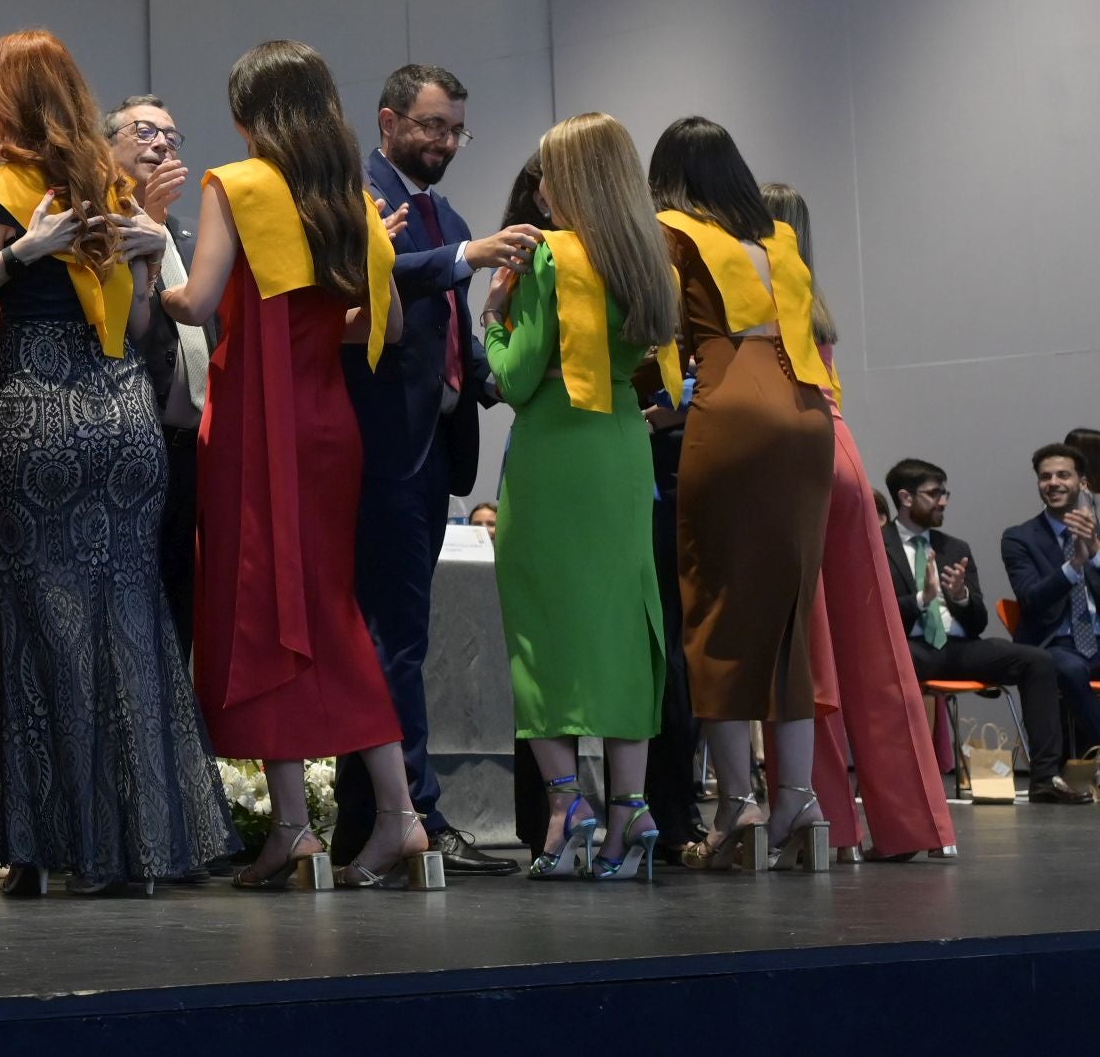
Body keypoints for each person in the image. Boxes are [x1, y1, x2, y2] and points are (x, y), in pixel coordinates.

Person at [0, 32, 235, 896]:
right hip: (125, 420)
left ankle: (46, 846)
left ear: (14, 103)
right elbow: (147, 326)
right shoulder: (113, 193)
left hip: (40, 414)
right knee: (131, 627)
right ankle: (139, 845)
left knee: (42, 632)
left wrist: (16, 255)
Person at [158, 40, 421, 889]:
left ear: (249, 114)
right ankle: (388, 818)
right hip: (328, 425)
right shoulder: (348, 197)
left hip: (253, 426)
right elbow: (386, 329)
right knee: (328, 611)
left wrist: (143, 259)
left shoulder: (237, 186)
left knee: (264, 614)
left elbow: (196, 303)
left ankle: (301, 828)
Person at [335, 64, 530, 877]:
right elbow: (367, 282)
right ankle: (406, 815)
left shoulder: (444, 213)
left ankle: (387, 818)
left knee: (402, 642)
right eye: (431, 126)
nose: (445, 141)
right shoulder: (359, 199)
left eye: (455, 128)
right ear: (388, 122)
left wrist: (504, 378)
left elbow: (453, 329)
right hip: (380, 449)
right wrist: (464, 256)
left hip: (431, 453)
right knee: (393, 643)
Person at [476, 114, 677, 878]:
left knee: (541, 627)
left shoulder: (549, 256)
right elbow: (666, 385)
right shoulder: (650, 255)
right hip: (625, 450)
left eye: (551, 174)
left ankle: (569, 804)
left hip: (556, 453)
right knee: (627, 627)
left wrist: (492, 316)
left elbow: (517, 376)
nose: (543, 189)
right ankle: (633, 810)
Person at [761, 183, 980, 850]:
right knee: (878, 651)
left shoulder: (756, 285)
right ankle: (915, 822)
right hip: (843, 452)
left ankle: (824, 824)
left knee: (803, 654)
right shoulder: (814, 298)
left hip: (791, 455)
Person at [650, 115, 835, 870]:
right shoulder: (778, 241)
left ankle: (737, 806)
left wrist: (655, 397)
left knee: (718, 606)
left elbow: (657, 330)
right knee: (791, 612)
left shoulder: (671, 229)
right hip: (806, 410)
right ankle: (802, 801)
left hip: (730, 405)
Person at [885, 459, 1079, 798]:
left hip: (959, 647)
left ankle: (1046, 779)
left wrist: (960, 597)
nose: (943, 501)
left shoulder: (954, 547)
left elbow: (978, 621)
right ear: (905, 497)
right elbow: (875, 616)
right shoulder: (877, 545)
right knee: (890, 665)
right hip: (908, 647)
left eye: (945, 492)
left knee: (1038, 661)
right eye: (934, 494)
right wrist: (921, 598)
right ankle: (900, 781)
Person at [105, 96, 209, 628]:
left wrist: (163, 228)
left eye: (170, 136)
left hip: (192, 445)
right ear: (107, 146)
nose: (162, 143)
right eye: (145, 132)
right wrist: (148, 230)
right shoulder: (97, 228)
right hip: (126, 436)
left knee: (183, 596)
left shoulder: (190, 237)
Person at [1001, 444, 1100, 750]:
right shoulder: (1020, 537)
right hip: (1055, 643)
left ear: (1082, 483)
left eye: (1063, 475)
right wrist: (1075, 565)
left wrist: (1094, 553)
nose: (1053, 482)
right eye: (1045, 477)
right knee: (1068, 668)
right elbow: (1031, 598)